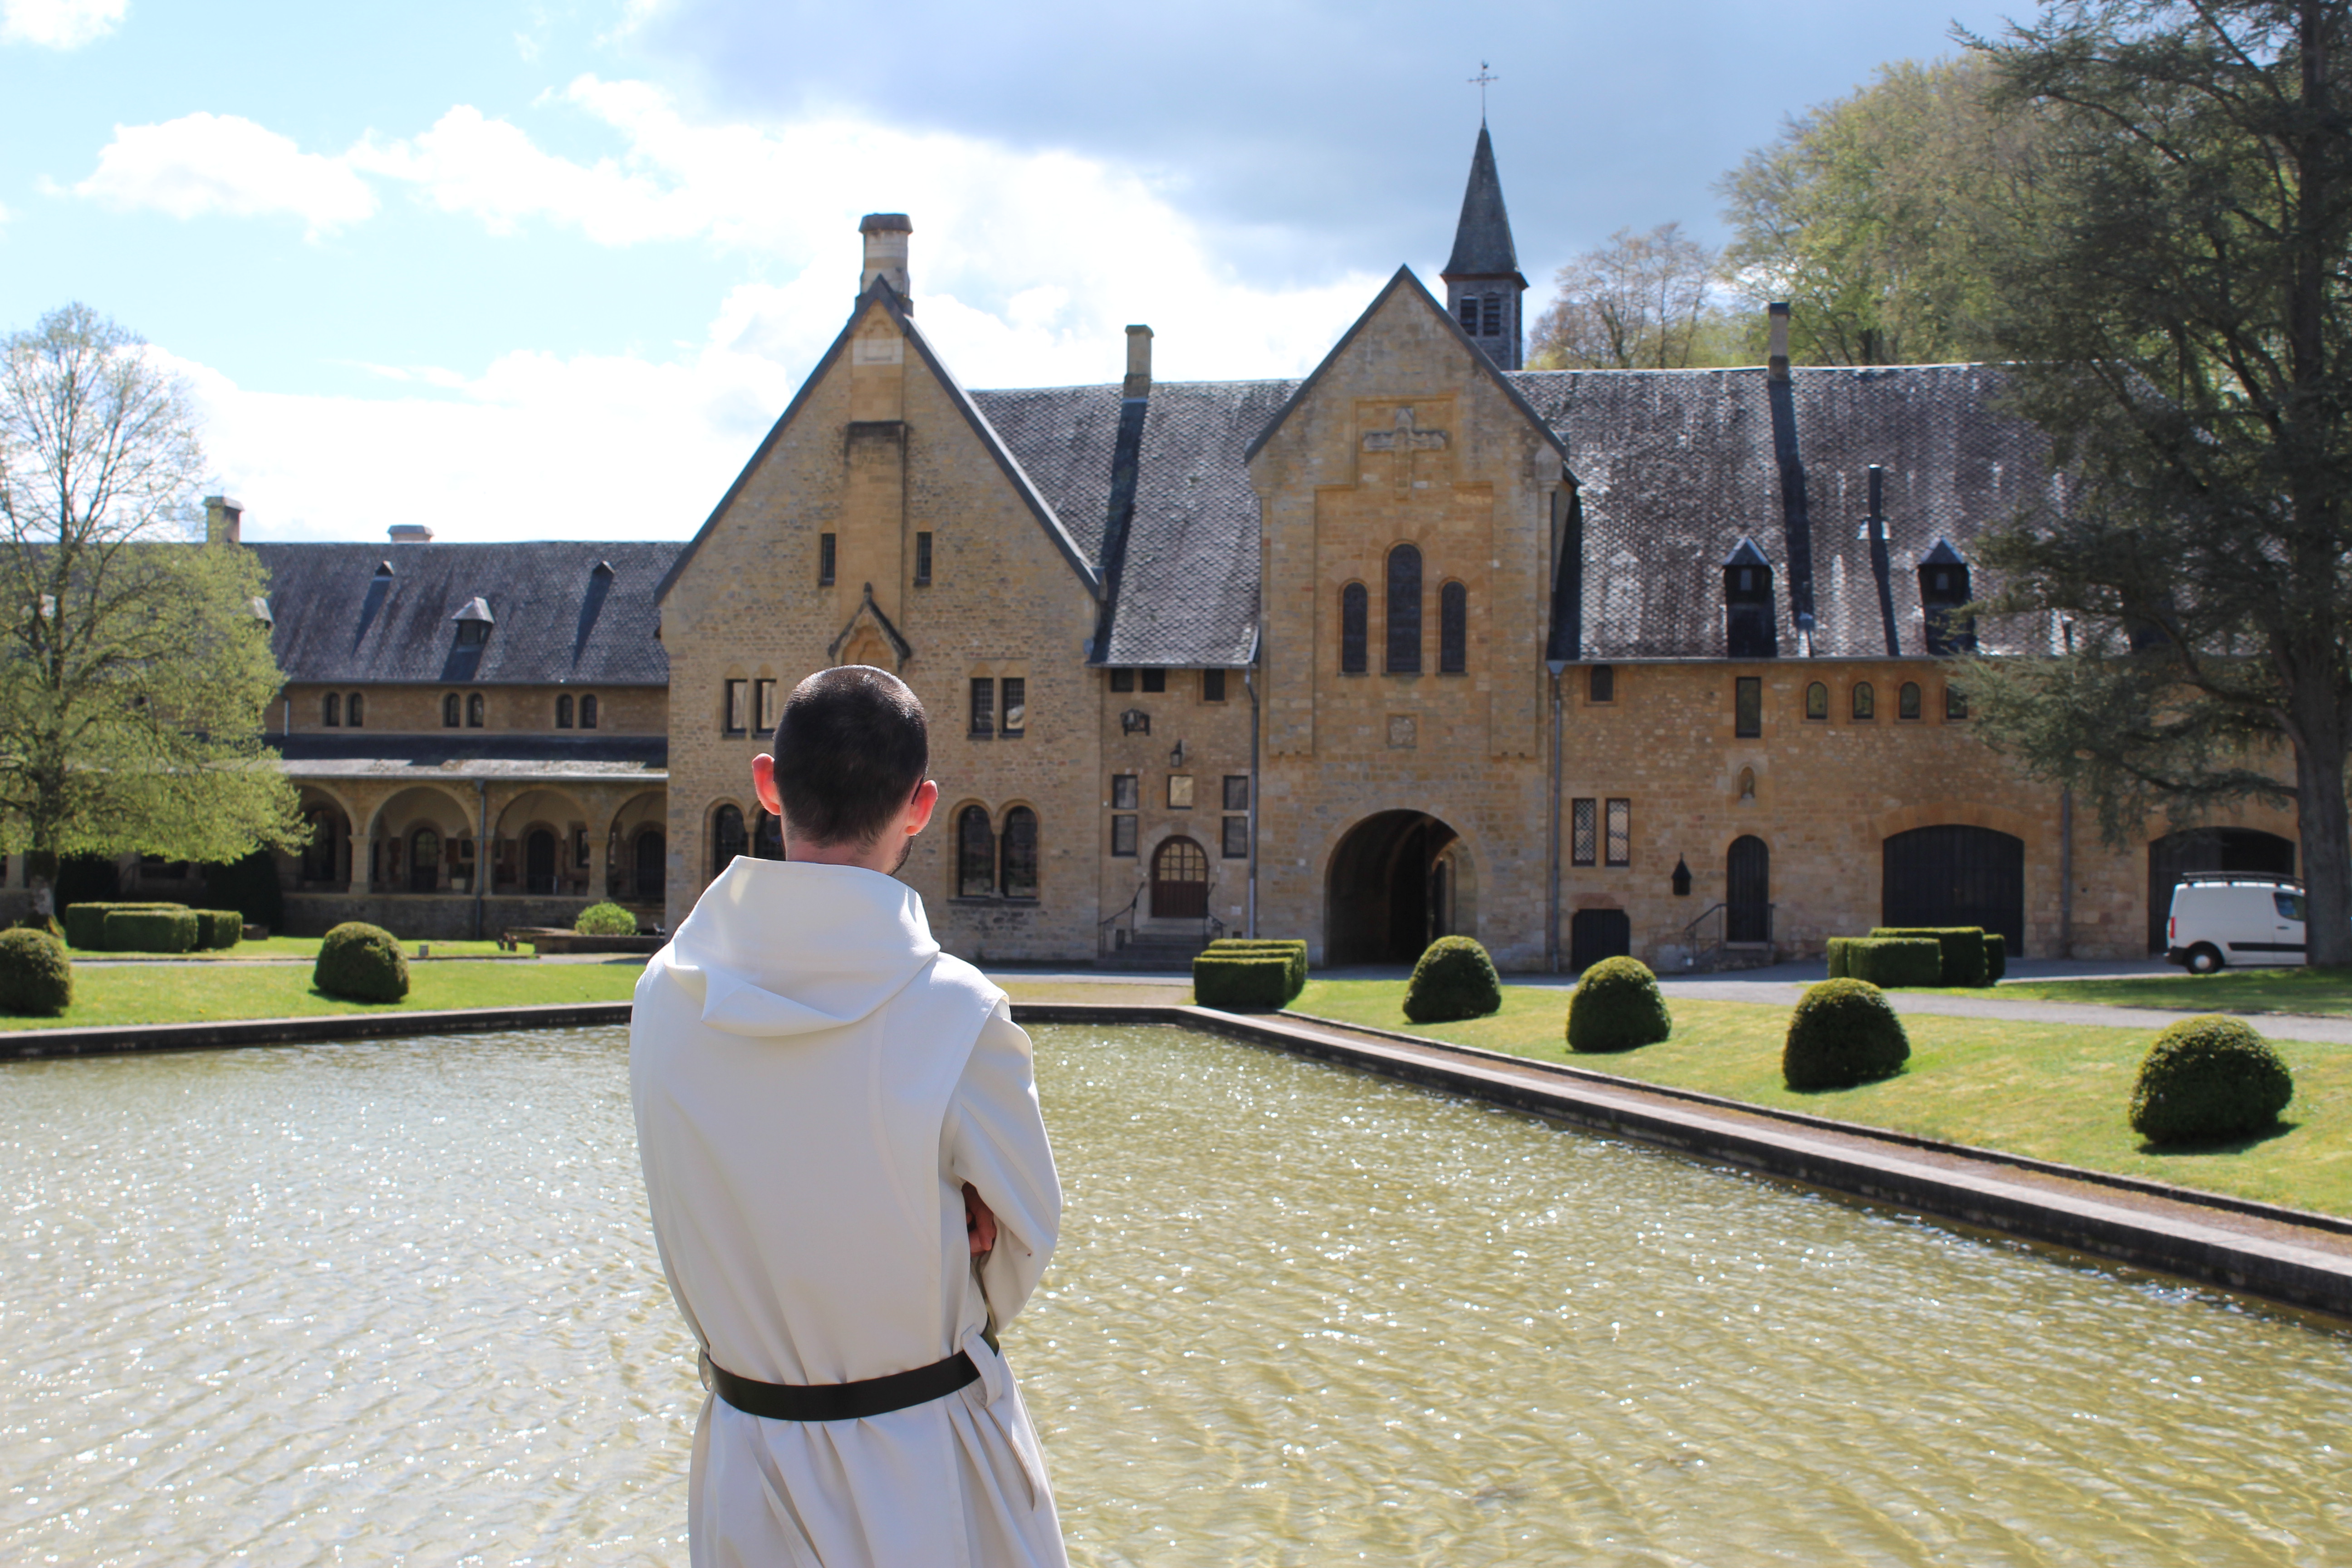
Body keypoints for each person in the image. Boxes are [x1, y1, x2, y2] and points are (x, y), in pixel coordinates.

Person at [631, 665, 1066, 1566]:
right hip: (929, 1467)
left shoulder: (664, 996)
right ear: (921, 806)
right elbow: (1024, 1247)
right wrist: (952, 1244)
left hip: (746, 1468)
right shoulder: (959, 1016)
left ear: (766, 784)